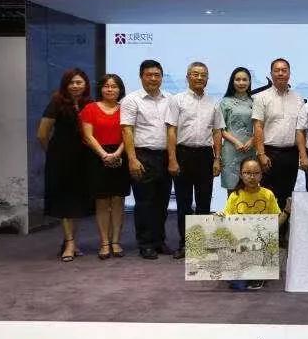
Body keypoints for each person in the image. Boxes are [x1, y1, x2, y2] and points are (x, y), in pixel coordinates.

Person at [166, 62, 224, 260]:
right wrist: (172, 159)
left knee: (204, 202)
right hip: (183, 154)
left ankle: (201, 245)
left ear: (207, 78)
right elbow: (171, 130)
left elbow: (217, 132)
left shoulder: (213, 102)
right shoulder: (177, 100)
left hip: (205, 156)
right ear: (188, 77)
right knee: (183, 203)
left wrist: (217, 159)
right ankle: (185, 244)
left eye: (203, 75)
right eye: (195, 74)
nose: (199, 78)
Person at [37, 68, 94, 262]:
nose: (75, 86)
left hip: (84, 159)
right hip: (61, 159)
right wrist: (53, 154)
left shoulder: (89, 103)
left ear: (85, 84)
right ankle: (69, 243)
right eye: (71, 82)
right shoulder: (57, 102)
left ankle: (71, 241)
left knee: (78, 202)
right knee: (65, 202)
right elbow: (42, 134)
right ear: (65, 84)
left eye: (79, 82)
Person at [120, 60, 173, 260]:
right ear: (141, 76)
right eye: (149, 75)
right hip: (142, 156)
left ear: (162, 77)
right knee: (144, 203)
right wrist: (132, 159)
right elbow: (127, 130)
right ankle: (145, 244)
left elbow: (172, 129)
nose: (153, 78)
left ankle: (159, 241)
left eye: (157, 75)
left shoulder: (170, 99)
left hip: (165, 156)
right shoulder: (131, 100)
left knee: (162, 202)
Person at [79, 74, 130, 260]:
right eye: (106, 86)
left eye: (114, 86)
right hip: (96, 156)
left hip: (120, 154)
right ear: (100, 88)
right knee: (102, 201)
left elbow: (129, 134)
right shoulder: (90, 108)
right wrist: (104, 155)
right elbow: (88, 136)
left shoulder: (125, 109)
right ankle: (104, 243)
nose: (110, 89)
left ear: (120, 89)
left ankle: (116, 241)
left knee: (117, 200)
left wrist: (117, 153)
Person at [223, 157, 291, 291]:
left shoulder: (268, 195)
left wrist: (287, 212)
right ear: (241, 175)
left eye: (256, 173)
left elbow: (274, 225)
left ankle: (259, 272)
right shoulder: (235, 196)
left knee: (245, 281)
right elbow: (228, 224)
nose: (252, 177)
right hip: (241, 245)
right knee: (238, 285)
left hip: (262, 244)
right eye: (247, 173)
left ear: (261, 175)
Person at [252, 58, 303, 215]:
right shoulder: (261, 97)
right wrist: (261, 154)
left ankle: (284, 229)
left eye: (284, 70)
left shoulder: (298, 98)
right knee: (267, 195)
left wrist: (302, 154)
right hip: (269, 153)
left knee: (287, 195)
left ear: (289, 73)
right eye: (277, 70)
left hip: (291, 153)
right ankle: (267, 230)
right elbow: (258, 127)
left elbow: (300, 130)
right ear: (271, 73)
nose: (281, 73)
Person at [219, 67, 256, 195]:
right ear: (232, 82)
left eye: (245, 80)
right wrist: (236, 142)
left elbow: (260, 126)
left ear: (249, 82)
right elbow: (220, 129)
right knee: (232, 190)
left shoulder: (255, 102)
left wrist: (253, 140)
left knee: (250, 188)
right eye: (238, 79)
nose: (241, 83)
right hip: (231, 149)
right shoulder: (225, 102)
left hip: (250, 149)